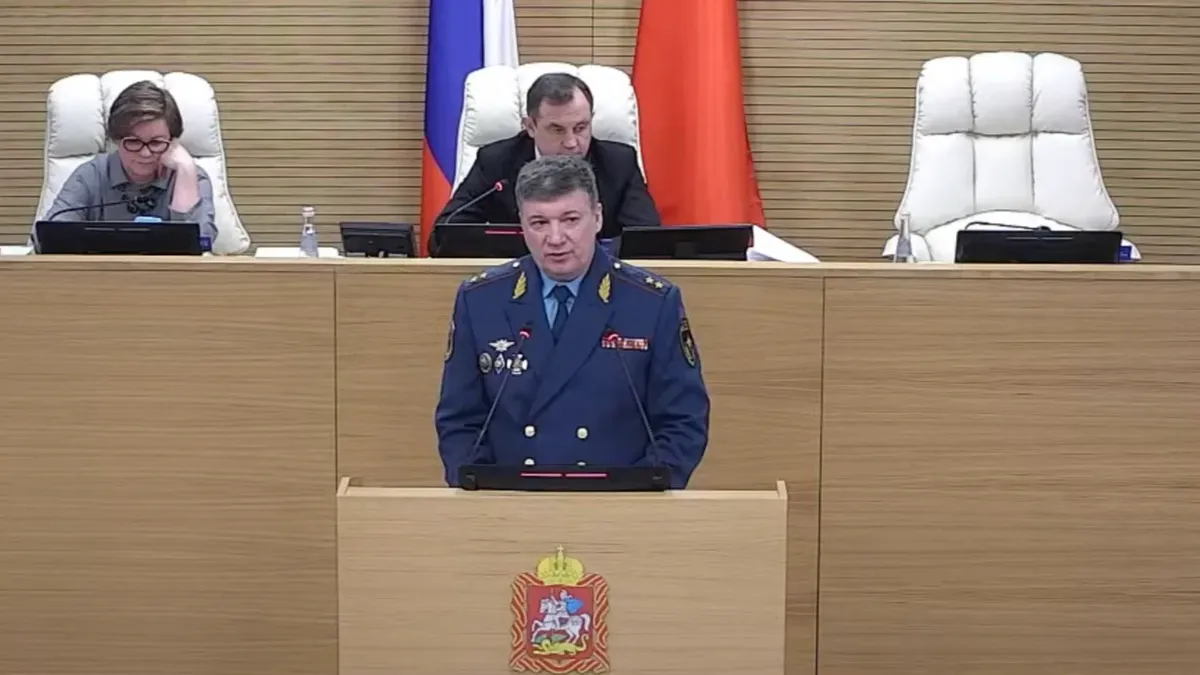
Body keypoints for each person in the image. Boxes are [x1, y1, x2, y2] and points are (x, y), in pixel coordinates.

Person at [435, 154, 709, 489]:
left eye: (570, 220)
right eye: (539, 223)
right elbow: (459, 422)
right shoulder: (480, 300)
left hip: (619, 501)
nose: (555, 238)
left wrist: (642, 493)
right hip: (509, 500)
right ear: (521, 225)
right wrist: (481, 491)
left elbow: (683, 422)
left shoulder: (652, 302)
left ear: (597, 217)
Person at [432, 72, 660, 245]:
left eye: (581, 127)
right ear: (530, 126)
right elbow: (444, 235)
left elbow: (647, 241)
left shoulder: (618, 162)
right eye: (557, 130)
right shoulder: (496, 161)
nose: (571, 143)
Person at [36, 80, 217, 246]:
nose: (145, 153)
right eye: (133, 142)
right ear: (116, 140)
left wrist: (186, 171)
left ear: (172, 141)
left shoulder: (191, 177)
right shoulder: (91, 175)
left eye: (156, 143)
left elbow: (201, 246)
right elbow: (47, 239)